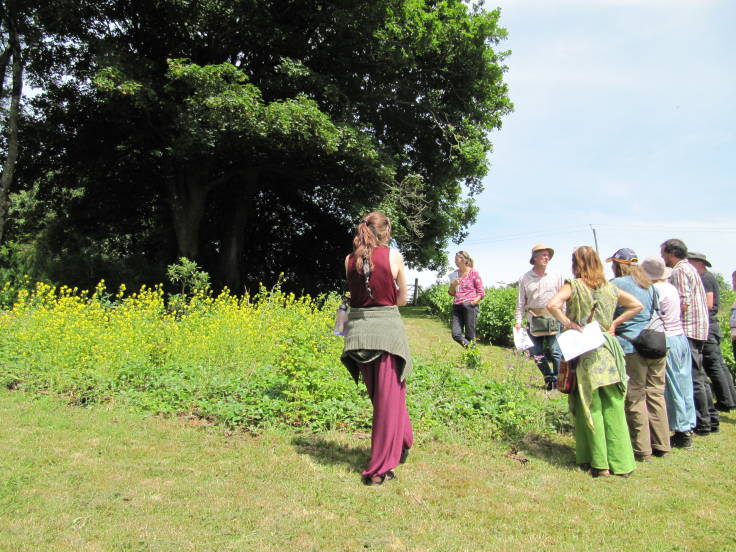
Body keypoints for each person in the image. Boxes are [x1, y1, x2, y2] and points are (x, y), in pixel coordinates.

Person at [547, 246, 643, 478]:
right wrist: (614, 324)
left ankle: (599, 464)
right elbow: (636, 305)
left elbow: (552, 305)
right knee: (614, 406)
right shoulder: (611, 288)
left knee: (591, 406)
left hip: (586, 350)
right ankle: (621, 463)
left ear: (576, 263)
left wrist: (569, 323)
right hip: (609, 350)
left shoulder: (575, 285)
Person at [341, 211, 413, 485]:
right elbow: (403, 300)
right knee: (388, 400)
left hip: (358, 336)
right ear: (386, 231)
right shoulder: (393, 257)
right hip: (386, 336)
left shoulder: (348, 260)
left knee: (385, 397)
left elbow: (353, 297)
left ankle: (404, 440)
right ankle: (379, 469)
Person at [607, 248, 670, 461]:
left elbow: (608, 312)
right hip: (656, 343)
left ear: (618, 264)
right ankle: (662, 444)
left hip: (632, 346)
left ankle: (642, 449)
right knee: (656, 393)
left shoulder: (616, 284)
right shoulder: (649, 285)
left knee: (635, 395)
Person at [661, 239, 716, 436]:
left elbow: (682, 302)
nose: (662, 257)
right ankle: (708, 420)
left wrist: (665, 318)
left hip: (688, 329)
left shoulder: (680, 270)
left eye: (663, 253)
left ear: (671, 253)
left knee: (691, 378)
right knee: (697, 376)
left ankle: (701, 423)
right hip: (697, 328)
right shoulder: (689, 269)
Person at [641, 256, 696, 448]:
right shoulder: (671, 288)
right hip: (680, 336)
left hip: (668, 338)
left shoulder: (654, 290)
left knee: (671, 388)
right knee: (684, 383)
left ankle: (681, 431)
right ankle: (688, 424)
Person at [687, 251, 736, 412]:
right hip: (711, 326)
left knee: (713, 365)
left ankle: (725, 401)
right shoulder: (707, 277)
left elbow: (708, 304)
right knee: (718, 364)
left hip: (707, 326)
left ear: (698, 263)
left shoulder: (705, 279)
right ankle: (729, 399)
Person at [514, 244, 565, 390]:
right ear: (534, 258)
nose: (546, 257)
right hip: (534, 319)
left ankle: (558, 380)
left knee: (556, 352)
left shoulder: (557, 275)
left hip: (554, 318)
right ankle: (548, 377)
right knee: (536, 352)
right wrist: (518, 321)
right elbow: (521, 302)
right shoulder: (525, 277)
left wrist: (565, 318)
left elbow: (563, 299)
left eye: (548, 255)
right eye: (543, 255)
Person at [448, 251, 485, 347]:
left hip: (469, 306)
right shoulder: (454, 274)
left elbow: (481, 292)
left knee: (470, 336)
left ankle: (472, 359)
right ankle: (474, 352)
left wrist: (472, 303)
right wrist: (454, 284)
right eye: (455, 259)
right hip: (457, 306)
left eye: (457, 259)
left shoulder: (473, 272)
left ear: (464, 260)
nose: (455, 261)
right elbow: (451, 293)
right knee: (455, 334)